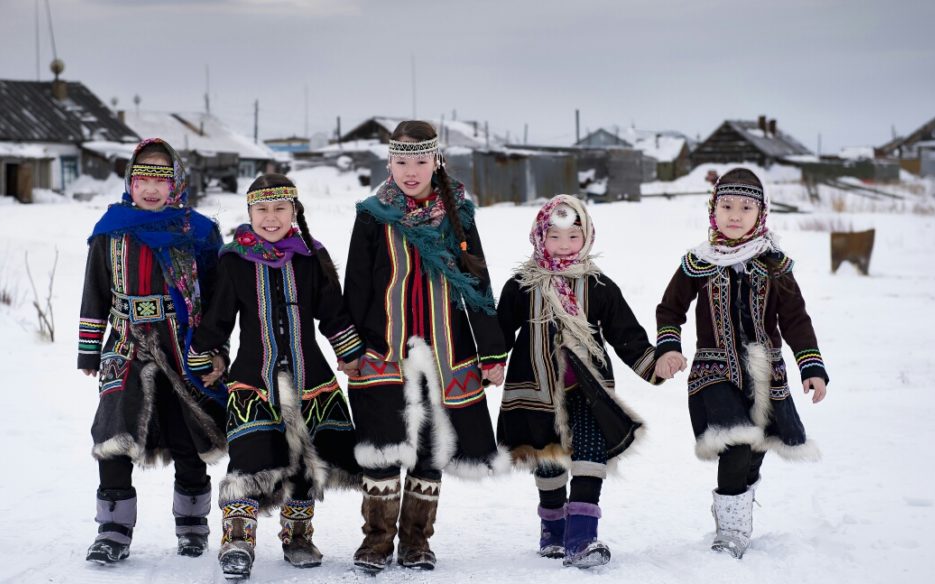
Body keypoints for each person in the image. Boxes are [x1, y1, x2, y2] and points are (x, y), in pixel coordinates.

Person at [343, 120, 508, 573]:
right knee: (381, 448)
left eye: (420, 161)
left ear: (436, 160)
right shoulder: (373, 215)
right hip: (383, 353)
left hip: (444, 354)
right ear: (389, 163)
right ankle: (376, 541)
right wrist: (351, 347)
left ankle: (416, 541)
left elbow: (477, 283)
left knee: (431, 449)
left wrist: (492, 352)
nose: (410, 171)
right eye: (401, 161)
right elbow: (356, 285)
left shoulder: (458, 215)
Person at [191, 174, 364, 578]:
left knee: (305, 459)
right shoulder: (234, 260)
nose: (271, 218)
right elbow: (218, 317)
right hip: (254, 380)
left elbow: (333, 313)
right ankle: (237, 541)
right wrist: (206, 356)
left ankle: (298, 536)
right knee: (249, 458)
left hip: (311, 380)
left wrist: (350, 353)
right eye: (262, 210)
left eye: (280, 209)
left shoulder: (310, 257)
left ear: (294, 211)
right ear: (249, 213)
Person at [653, 167, 829, 559]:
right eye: (726, 206)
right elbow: (670, 309)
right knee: (735, 441)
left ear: (761, 213)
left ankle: (738, 510)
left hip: (765, 374)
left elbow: (796, 319)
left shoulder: (775, 265)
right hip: (715, 372)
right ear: (712, 211)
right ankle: (730, 533)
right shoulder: (698, 262)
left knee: (757, 447)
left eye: (746, 208)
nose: (735, 215)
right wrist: (669, 347)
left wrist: (811, 367)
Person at [77, 138, 227, 564]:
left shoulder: (197, 232)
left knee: (188, 435)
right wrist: (90, 351)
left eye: (161, 178)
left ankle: (193, 524)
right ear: (130, 181)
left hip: (183, 346)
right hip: (125, 343)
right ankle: (113, 530)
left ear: (176, 182)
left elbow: (217, 298)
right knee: (113, 435)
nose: (151, 188)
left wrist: (216, 349)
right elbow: (95, 293)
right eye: (142, 177)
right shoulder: (111, 231)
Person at [496, 194, 662, 568]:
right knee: (548, 458)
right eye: (555, 237)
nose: (565, 246)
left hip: (588, 391)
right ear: (540, 237)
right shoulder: (521, 285)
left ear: (586, 236)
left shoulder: (599, 285)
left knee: (590, 454)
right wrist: (489, 364)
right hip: (535, 389)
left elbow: (626, 334)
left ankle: (582, 538)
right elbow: (500, 332)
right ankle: (553, 529)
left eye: (574, 237)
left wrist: (654, 362)